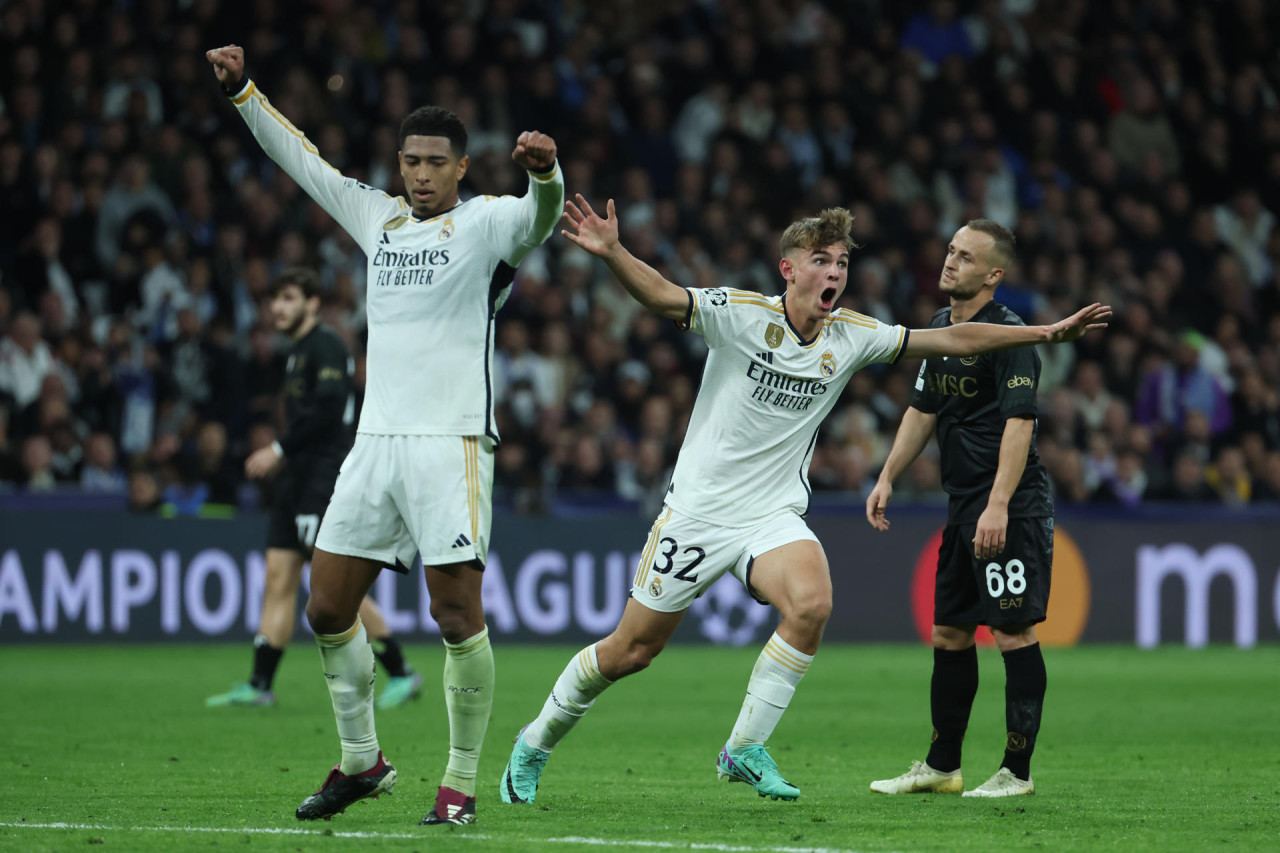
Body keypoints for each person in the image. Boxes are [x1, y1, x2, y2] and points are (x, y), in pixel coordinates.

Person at [498, 198, 1109, 805]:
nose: (836, 274)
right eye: (822, 261)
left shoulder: (852, 336)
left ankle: (743, 749)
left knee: (813, 603)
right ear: (789, 270)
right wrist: (613, 251)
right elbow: (661, 296)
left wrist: (1045, 332)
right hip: (698, 514)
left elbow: (957, 337)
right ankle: (535, 741)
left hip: (771, 516)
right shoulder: (738, 316)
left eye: (842, 262)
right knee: (632, 651)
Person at [205, 45, 564, 826]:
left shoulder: (487, 221)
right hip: (374, 446)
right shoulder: (381, 219)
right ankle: (362, 761)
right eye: (411, 161)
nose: (421, 174)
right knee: (326, 606)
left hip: (451, 441)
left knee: (455, 614)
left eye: (436, 161)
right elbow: (305, 163)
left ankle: (460, 783)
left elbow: (540, 221)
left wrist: (545, 175)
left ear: (463, 167)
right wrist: (243, 94)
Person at [867, 220, 1057, 798]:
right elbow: (922, 411)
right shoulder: (938, 330)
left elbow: (1020, 423)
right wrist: (887, 475)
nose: (950, 262)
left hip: (1010, 505)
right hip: (962, 507)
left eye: (965, 256)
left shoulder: (1011, 336)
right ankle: (942, 766)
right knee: (949, 633)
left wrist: (998, 505)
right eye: (949, 250)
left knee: (1012, 631)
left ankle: (1015, 773)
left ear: (993, 275)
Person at [205, 268, 422, 711]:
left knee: (333, 588)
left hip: (321, 477)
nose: (277, 307)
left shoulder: (324, 345)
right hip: (297, 479)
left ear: (313, 303)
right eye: (274, 300)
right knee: (278, 577)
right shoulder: (299, 350)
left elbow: (327, 411)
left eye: (288, 298)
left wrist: (278, 448)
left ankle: (401, 670)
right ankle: (259, 682)